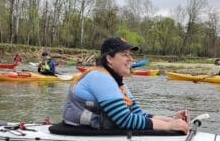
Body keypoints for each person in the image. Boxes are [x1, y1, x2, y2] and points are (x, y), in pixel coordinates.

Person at [62, 37, 190, 133]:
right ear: (109, 59)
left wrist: (172, 120)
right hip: (77, 133)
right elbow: (125, 119)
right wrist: (168, 127)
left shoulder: (117, 82)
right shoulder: (99, 77)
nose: (131, 59)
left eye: (130, 55)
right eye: (124, 55)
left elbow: (138, 114)